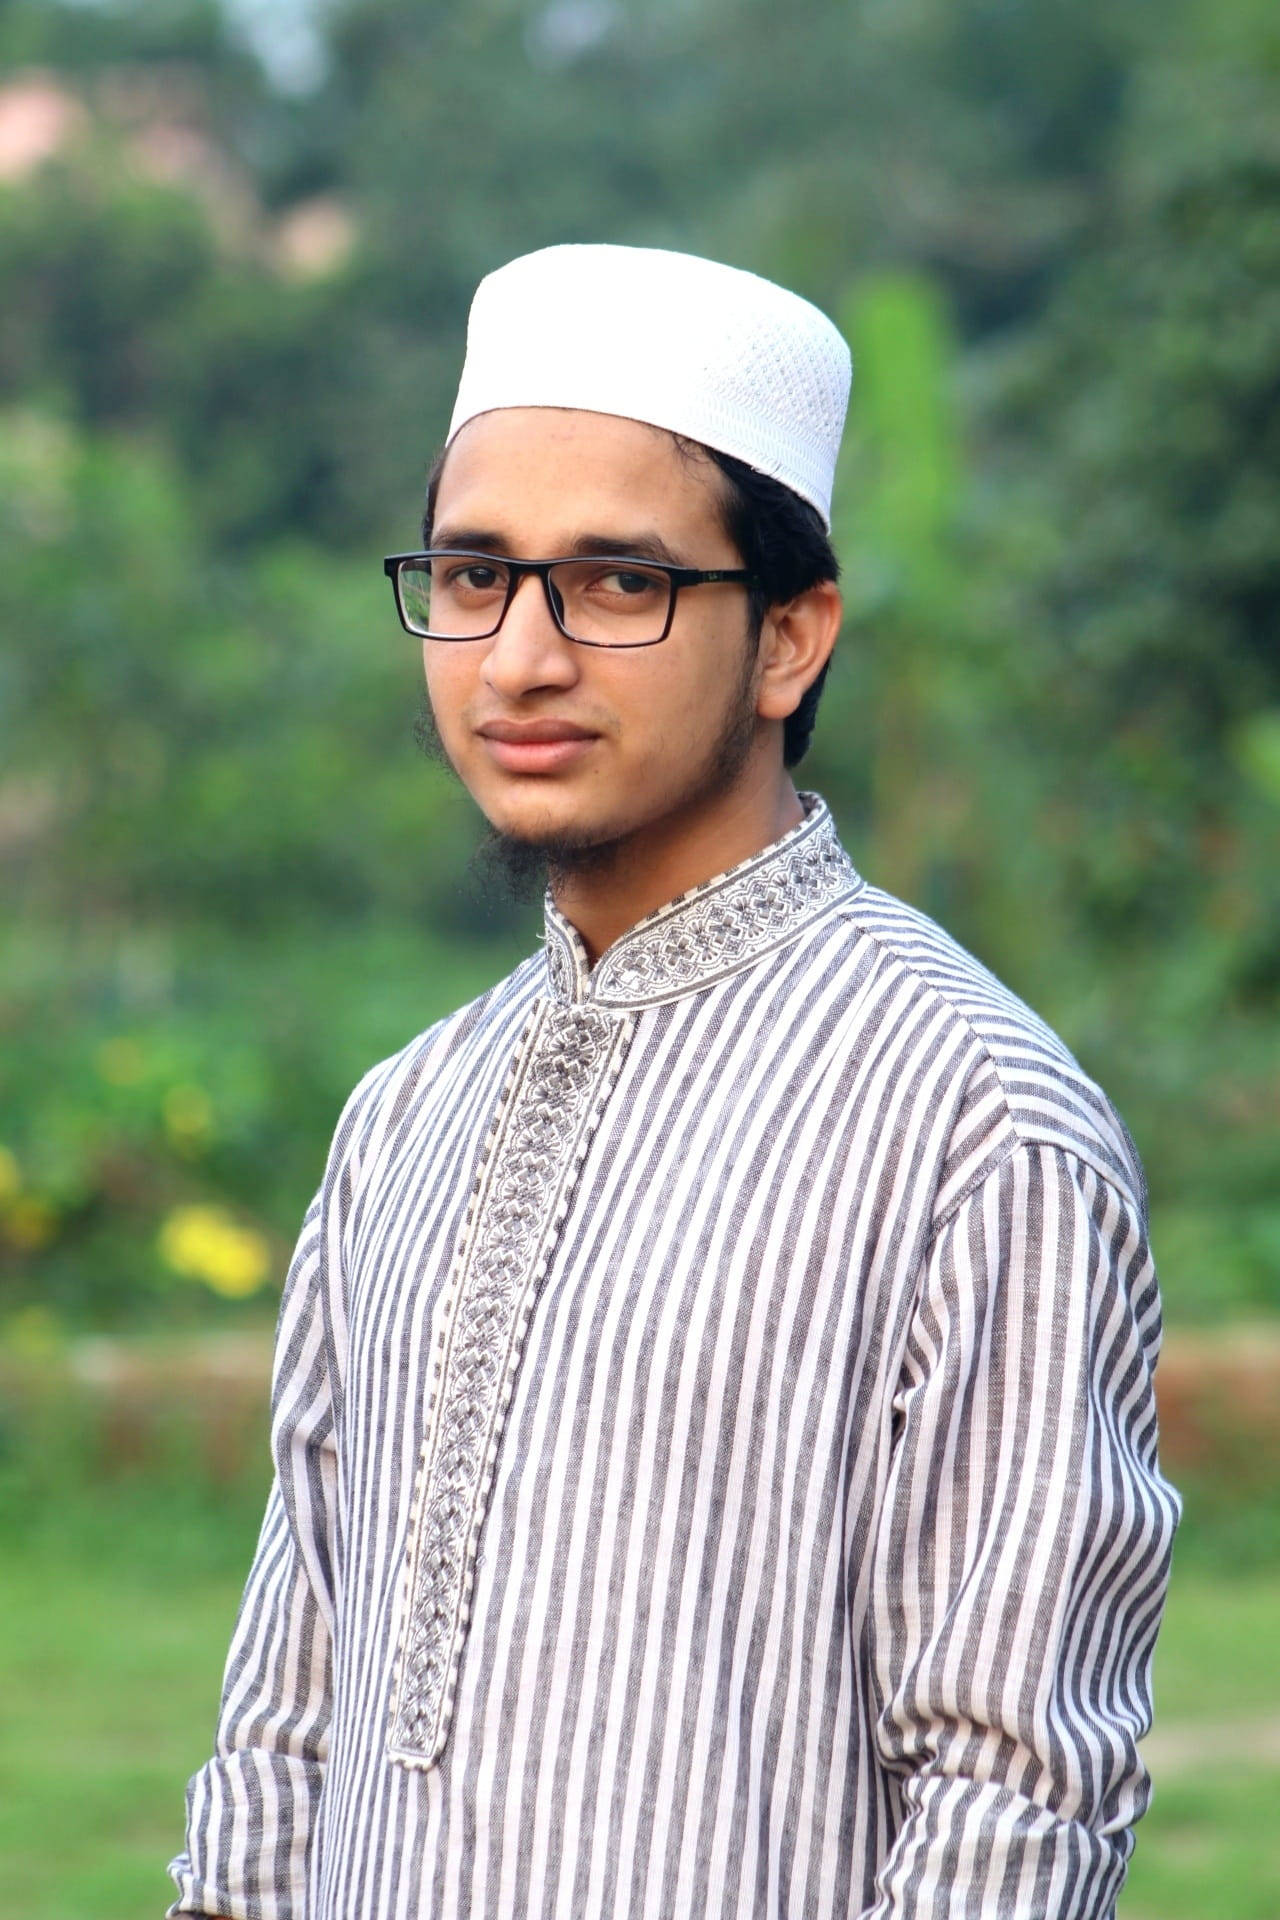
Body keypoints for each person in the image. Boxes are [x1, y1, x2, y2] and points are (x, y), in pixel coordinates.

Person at [168, 244, 1180, 1920]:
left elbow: (1016, 1801)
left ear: (791, 637)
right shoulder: (402, 1118)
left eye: (619, 584)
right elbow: (287, 1720)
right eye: (477, 574)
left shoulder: (974, 1124)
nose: (520, 659)